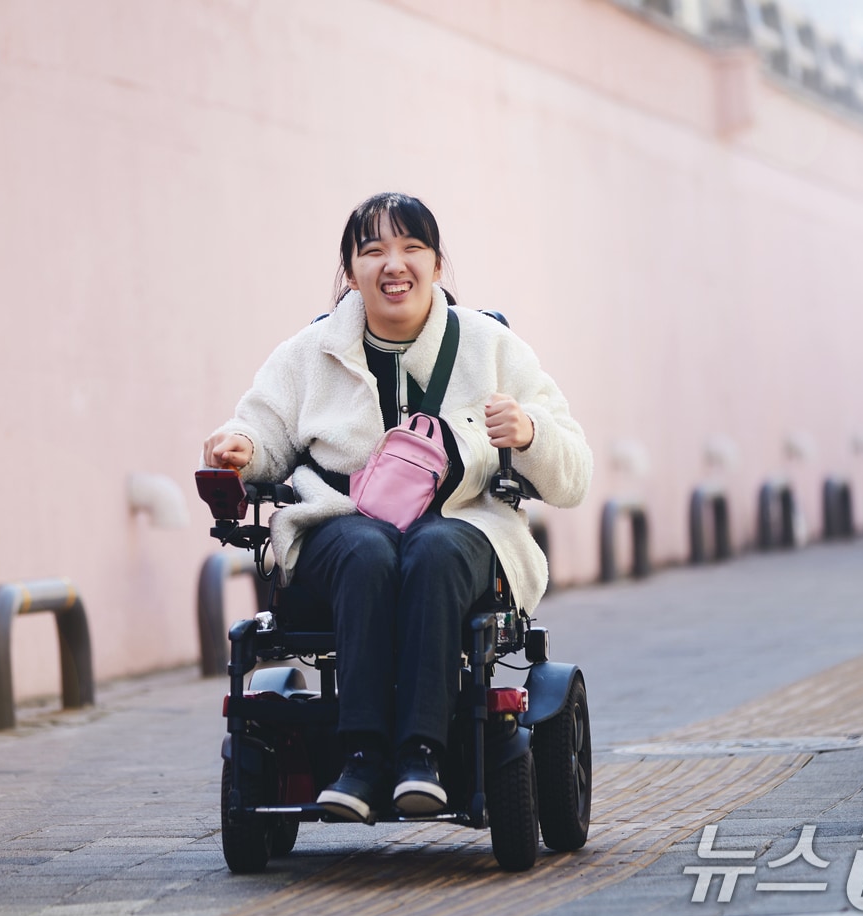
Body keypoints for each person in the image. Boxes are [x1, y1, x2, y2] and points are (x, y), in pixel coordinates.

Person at [201, 192, 592, 821]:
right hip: (338, 527)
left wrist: (531, 433)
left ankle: (422, 757)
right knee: (368, 545)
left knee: (433, 547)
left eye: (412, 248)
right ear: (350, 271)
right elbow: (262, 430)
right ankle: (360, 759)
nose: (394, 264)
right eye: (374, 250)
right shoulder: (309, 352)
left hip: (465, 525)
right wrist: (241, 448)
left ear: (437, 265)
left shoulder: (491, 347)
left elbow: (574, 471)